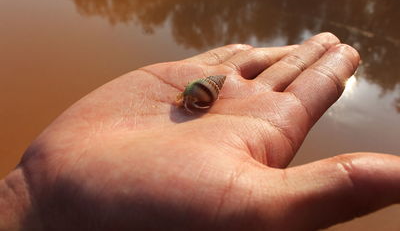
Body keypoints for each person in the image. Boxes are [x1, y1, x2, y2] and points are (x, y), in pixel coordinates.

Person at [1, 32, 399, 231]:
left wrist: (29, 201)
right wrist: (33, 199)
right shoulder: (192, 99)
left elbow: (195, 101)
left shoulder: (197, 96)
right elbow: (192, 102)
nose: (189, 105)